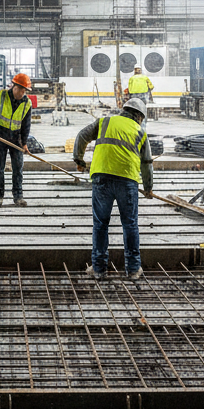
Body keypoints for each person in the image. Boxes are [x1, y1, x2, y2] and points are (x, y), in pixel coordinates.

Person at [73, 98, 153, 280]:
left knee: (100, 224)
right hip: (127, 180)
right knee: (130, 224)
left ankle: (99, 269)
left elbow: (82, 136)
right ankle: (133, 270)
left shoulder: (105, 121)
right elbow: (147, 163)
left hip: (101, 178)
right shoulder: (140, 131)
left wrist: (79, 159)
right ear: (139, 116)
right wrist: (148, 188)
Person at [0, 72, 32, 207]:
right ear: (14, 86)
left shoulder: (27, 103)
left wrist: (25, 143)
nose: (23, 93)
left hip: (16, 139)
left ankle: (18, 197)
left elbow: (26, 125)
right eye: (21, 89)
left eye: (25, 90)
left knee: (18, 168)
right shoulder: (2, 96)